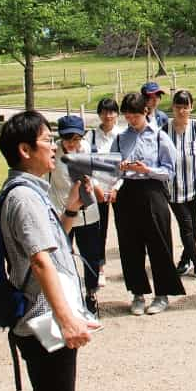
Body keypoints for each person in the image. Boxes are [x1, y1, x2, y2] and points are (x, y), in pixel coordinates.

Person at [0, 111, 100, 391]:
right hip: (44, 321)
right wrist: (67, 320)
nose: (54, 147)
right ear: (25, 150)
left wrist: (70, 209)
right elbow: (40, 261)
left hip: (48, 318)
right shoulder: (24, 199)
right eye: (47, 140)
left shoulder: (32, 192)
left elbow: (53, 243)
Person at [111, 92, 184, 315]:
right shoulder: (121, 138)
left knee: (159, 242)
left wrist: (147, 170)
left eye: (135, 116)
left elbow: (169, 171)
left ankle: (162, 294)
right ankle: (137, 293)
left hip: (152, 191)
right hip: (127, 193)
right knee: (130, 245)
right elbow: (112, 167)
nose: (131, 120)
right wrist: (120, 168)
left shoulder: (160, 137)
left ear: (145, 111)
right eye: (127, 117)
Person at [50, 115, 105, 317]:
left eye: (76, 139)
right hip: (63, 213)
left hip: (88, 213)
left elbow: (96, 174)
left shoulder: (87, 149)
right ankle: (67, 298)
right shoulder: (52, 153)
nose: (72, 143)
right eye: (68, 139)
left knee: (91, 256)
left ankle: (91, 295)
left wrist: (97, 187)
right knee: (62, 256)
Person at [162, 90, 196, 280]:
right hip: (174, 189)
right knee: (186, 226)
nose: (182, 111)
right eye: (178, 107)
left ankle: (185, 259)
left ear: (191, 107)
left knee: (193, 225)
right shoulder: (164, 130)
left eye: (186, 107)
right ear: (173, 107)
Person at [88, 97, 122, 290]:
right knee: (99, 231)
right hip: (98, 190)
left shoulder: (122, 135)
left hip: (118, 189)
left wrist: (117, 187)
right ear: (99, 114)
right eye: (104, 112)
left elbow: (126, 165)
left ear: (117, 114)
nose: (108, 116)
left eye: (112, 111)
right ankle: (100, 268)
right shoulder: (91, 136)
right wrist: (96, 187)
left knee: (124, 229)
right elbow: (86, 164)